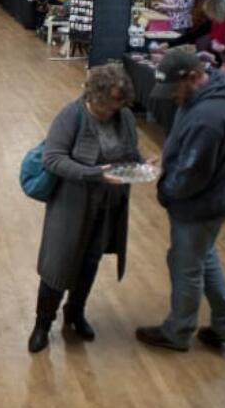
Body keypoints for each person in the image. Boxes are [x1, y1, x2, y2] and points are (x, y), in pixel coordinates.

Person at [29, 65, 145, 353]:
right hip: (71, 205)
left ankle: (75, 313)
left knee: (90, 260)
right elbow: (53, 159)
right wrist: (93, 173)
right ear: (92, 95)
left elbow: (129, 152)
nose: (110, 110)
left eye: (116, 103)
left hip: (107, 206)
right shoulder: (72, 116)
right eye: (104, 104)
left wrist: (142, 165)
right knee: (58, 265)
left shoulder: (125, 117)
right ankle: (42, 323)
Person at [136, 47, 225, 352]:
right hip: (215, 198)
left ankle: (178, 331)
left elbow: (192, 174)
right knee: (203, 256)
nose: (171, 96)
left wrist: (165, 190)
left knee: (185, 265)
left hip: (200, 204)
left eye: (174, 89)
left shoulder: (207, 118)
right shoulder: (210, 95)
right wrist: (169, 159)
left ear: (194, 77)